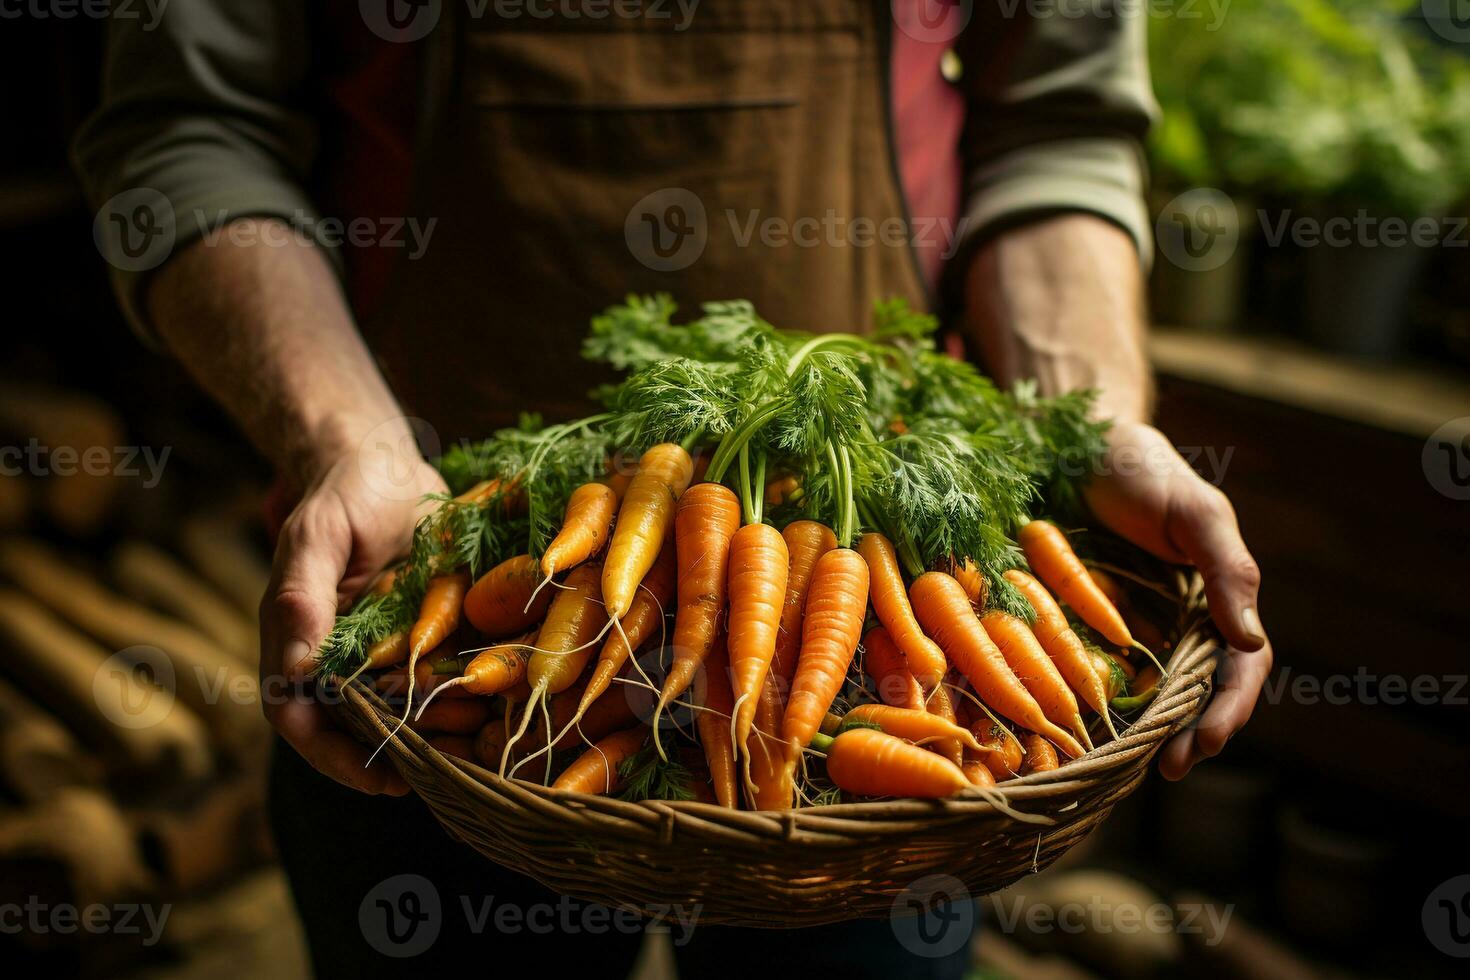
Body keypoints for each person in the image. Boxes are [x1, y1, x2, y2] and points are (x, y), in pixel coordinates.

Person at [75, 2, 1272, 977]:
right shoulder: (466, 604)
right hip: (432, 598)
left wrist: (1089, 421)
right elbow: (185, 127)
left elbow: (1054, 121)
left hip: (896, 635)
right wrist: (345, 441)